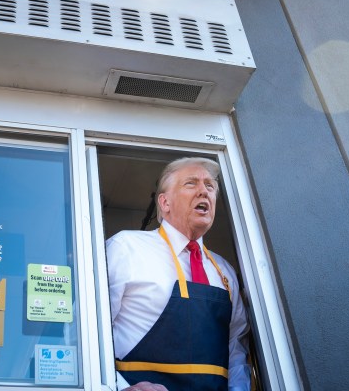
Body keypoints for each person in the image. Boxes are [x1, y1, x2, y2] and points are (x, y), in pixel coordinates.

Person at [105, 157, 250, 391]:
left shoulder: (224, 270)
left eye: (210, 186)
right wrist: (119, 388)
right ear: (164, 203)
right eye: (191, 184)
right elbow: (88, 334)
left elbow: (236, 350)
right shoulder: (126, 248)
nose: (204, 191)